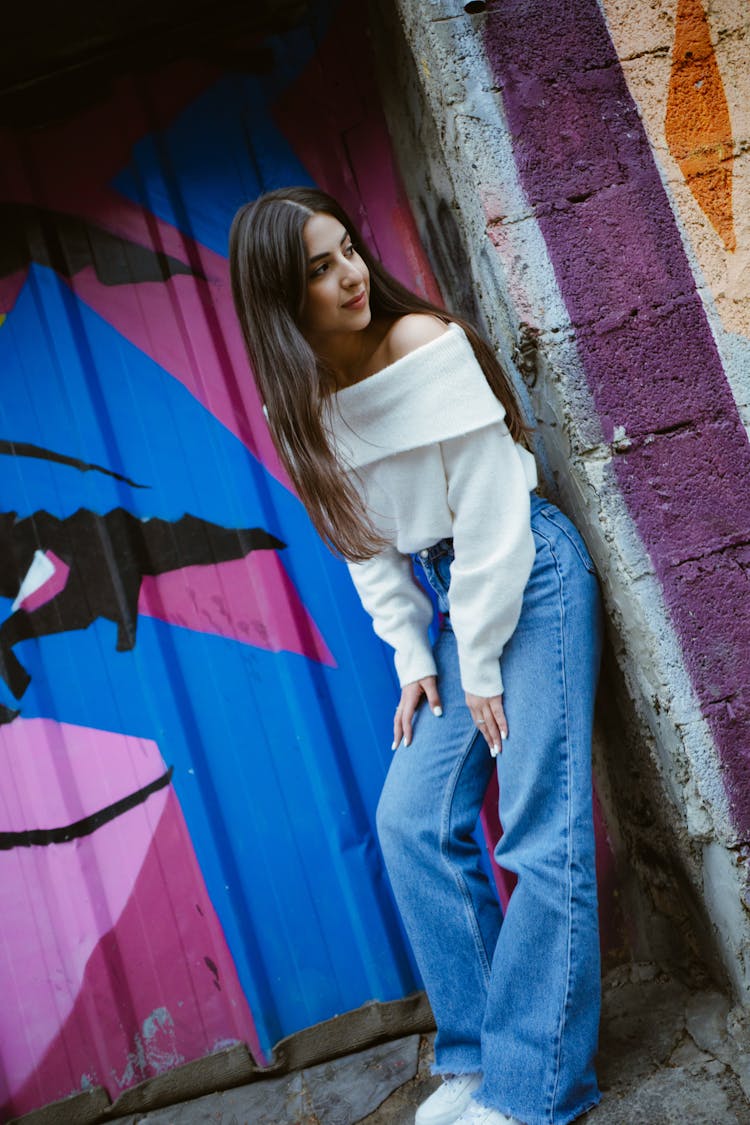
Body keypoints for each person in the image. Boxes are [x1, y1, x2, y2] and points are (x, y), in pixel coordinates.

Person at [229, 186, 603, 1125]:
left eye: (347, 249)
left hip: (529, 568)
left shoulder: (423, 344)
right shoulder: (301, 409)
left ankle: (536, 1089)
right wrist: (414, 656)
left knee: (537, 825)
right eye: (319, 266)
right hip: (454, 598)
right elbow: (365, 548)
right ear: (281, 296)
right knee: (409, 820)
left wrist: (475, 659)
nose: (351, 274)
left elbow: (489, 510)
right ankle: (478, 1058)